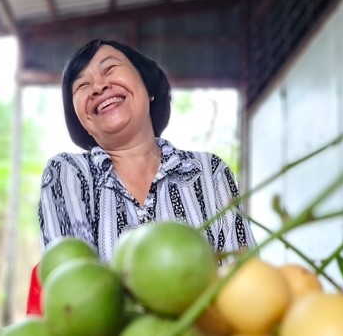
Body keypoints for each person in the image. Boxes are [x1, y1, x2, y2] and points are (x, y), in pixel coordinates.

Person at [37, 38, 256, 264]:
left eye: (110, 68)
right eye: (82, 85)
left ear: (147, 84)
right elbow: (76, 283)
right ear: (82, 120)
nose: (98, 87)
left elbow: (244, 281)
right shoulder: (68, 173)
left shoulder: (209, 172)